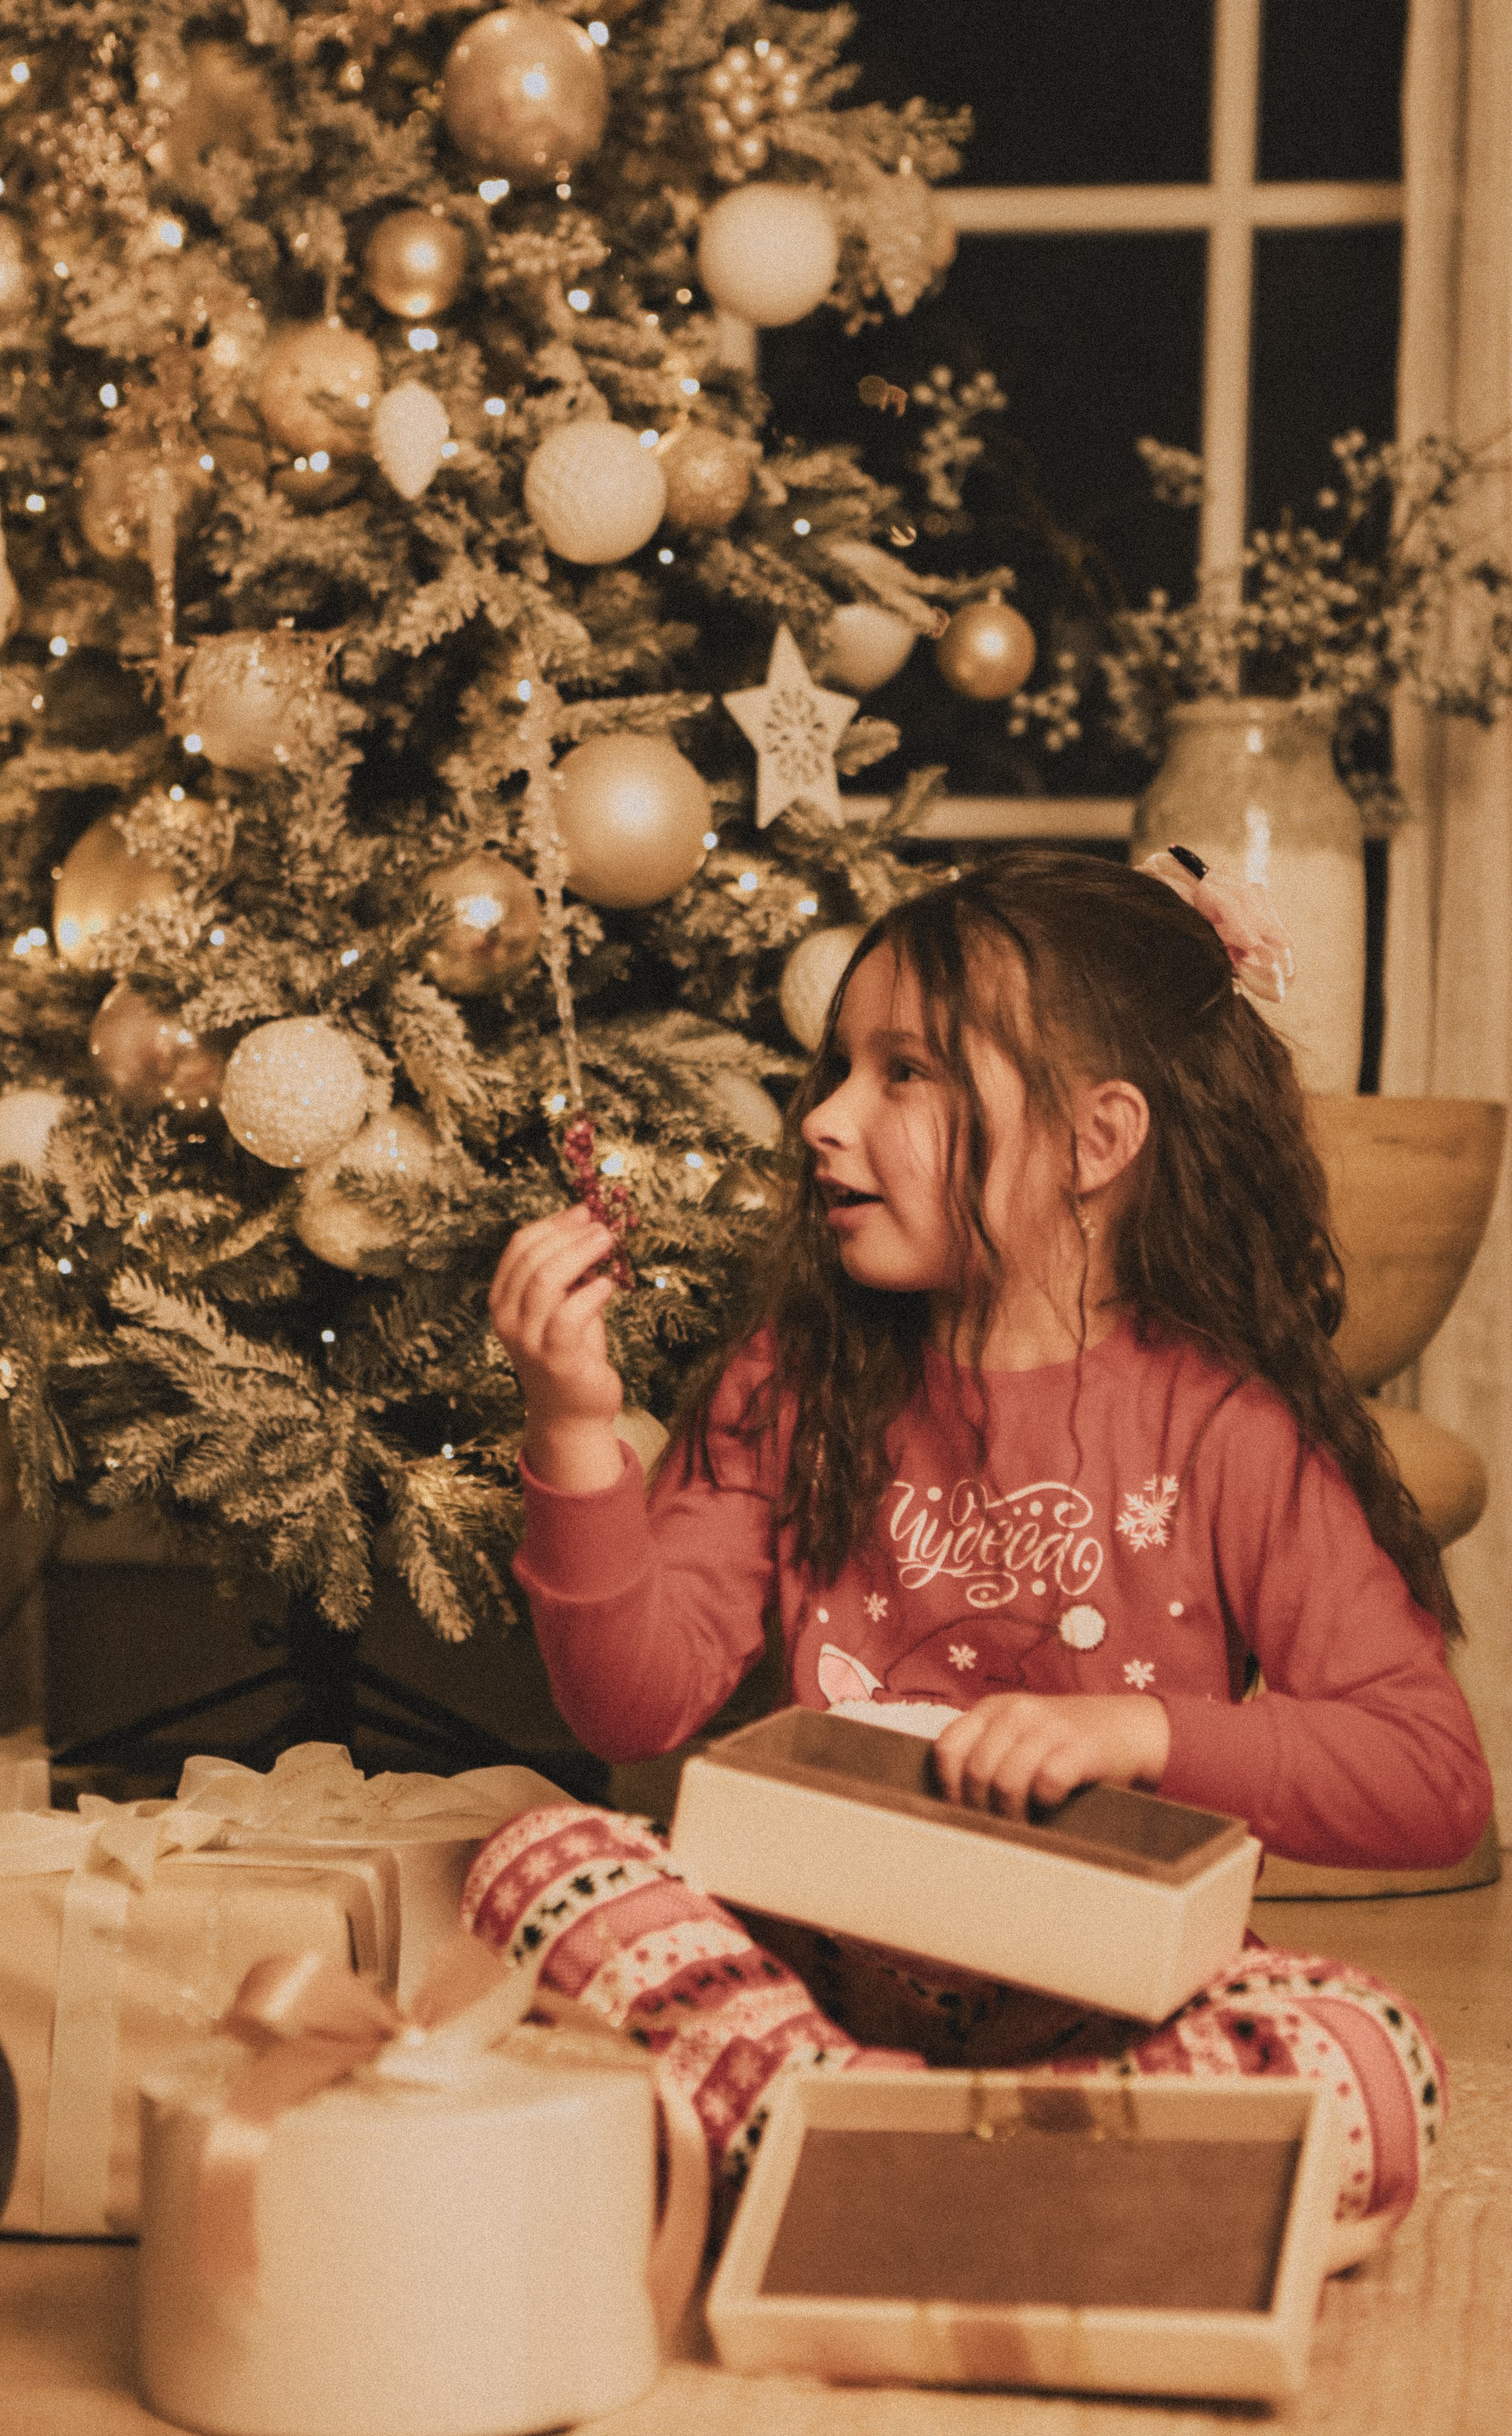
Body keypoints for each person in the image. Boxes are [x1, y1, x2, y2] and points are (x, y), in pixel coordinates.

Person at [480, 849, 1493, 2254]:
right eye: (837, 1067)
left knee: (1370, 2056)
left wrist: (1136, 1732)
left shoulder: (1228, 1428)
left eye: (904, 1074)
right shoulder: (787, 1384)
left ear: (1096, 1140)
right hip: (807, 1982)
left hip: (1113, 1997)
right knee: (526, 1859)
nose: (823, 1120)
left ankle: (855, 2163)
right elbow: (626, 1704)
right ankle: (901, 2142)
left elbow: (1430, 1782)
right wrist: (573, 1427)